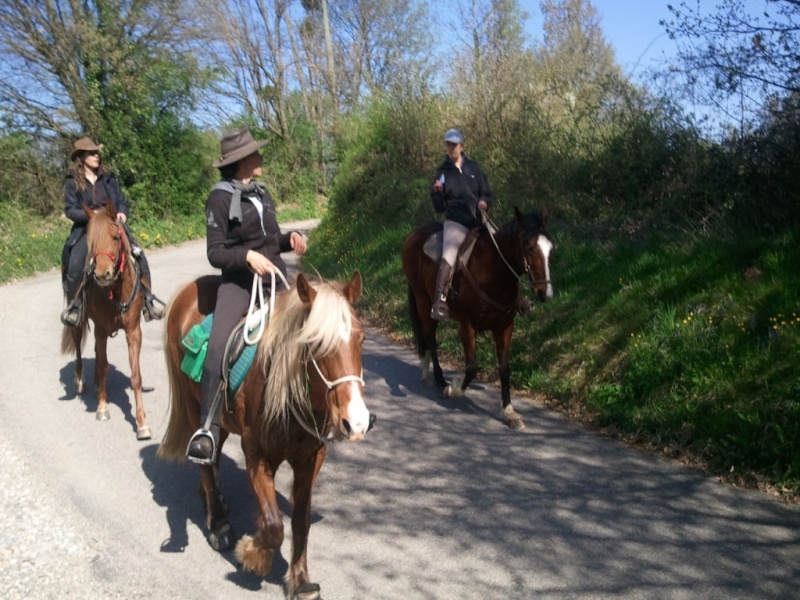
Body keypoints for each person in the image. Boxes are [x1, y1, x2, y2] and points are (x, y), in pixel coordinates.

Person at [185, 127, 308, 465]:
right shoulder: (220, 197)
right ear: (242, 161)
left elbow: (270, 239)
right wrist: (246, 258)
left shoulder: (262, 192)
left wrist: (290, 239)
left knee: (309, 333)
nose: (261, 156)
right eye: (256, 153)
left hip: (276, 280)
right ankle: (206, 429)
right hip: (239, 285)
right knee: (219, 344)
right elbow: (215, 252)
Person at [60, 136, 165, 327]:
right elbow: (70, 209)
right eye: (92, 153)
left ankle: (148, 301)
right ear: (82, 157)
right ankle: (75, 307)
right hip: (88, 228)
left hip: (113, 226)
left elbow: (121, 201)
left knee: (139, 256)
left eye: (97, 152)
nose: (96, 156)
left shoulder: (108, 178)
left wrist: (123, 213)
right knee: (74, 263)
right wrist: (93, 217)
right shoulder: (72, 181)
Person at [429, 128, 494, 320]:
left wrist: (484, 202)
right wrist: (437, 193)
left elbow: (487, 193)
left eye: (454, 144)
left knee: (502, 243)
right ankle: (439, 300)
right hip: (456, 222)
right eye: (448, 144)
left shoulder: (474, 168)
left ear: (462, 146)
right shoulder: (442, 172)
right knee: (449, 255)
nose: (451, 148)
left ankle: (518, 297)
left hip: (478, 221)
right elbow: (439, 207)